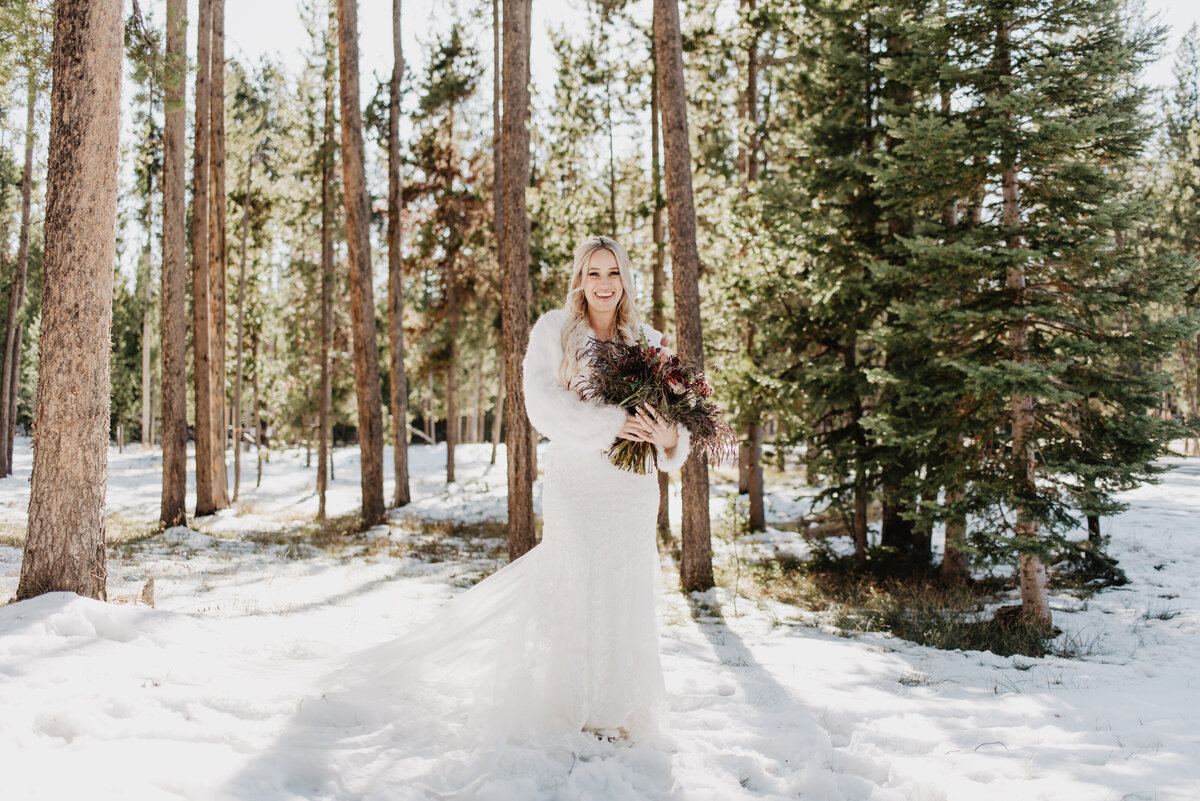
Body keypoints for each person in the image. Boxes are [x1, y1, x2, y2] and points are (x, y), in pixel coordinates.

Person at [346, 235, 689, 748]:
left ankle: (622, 707)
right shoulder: (555, 332)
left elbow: (677, 421)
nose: (603, 283)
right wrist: (613, 422)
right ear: (580, 278)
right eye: (593, 272)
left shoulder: (650, 341)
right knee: (577, 587)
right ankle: (574, 705)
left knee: (626, 588)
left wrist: (669, 440)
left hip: (632, 491)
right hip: (578, 484)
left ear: (626, 279)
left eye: (612, 272)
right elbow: (542, 406)